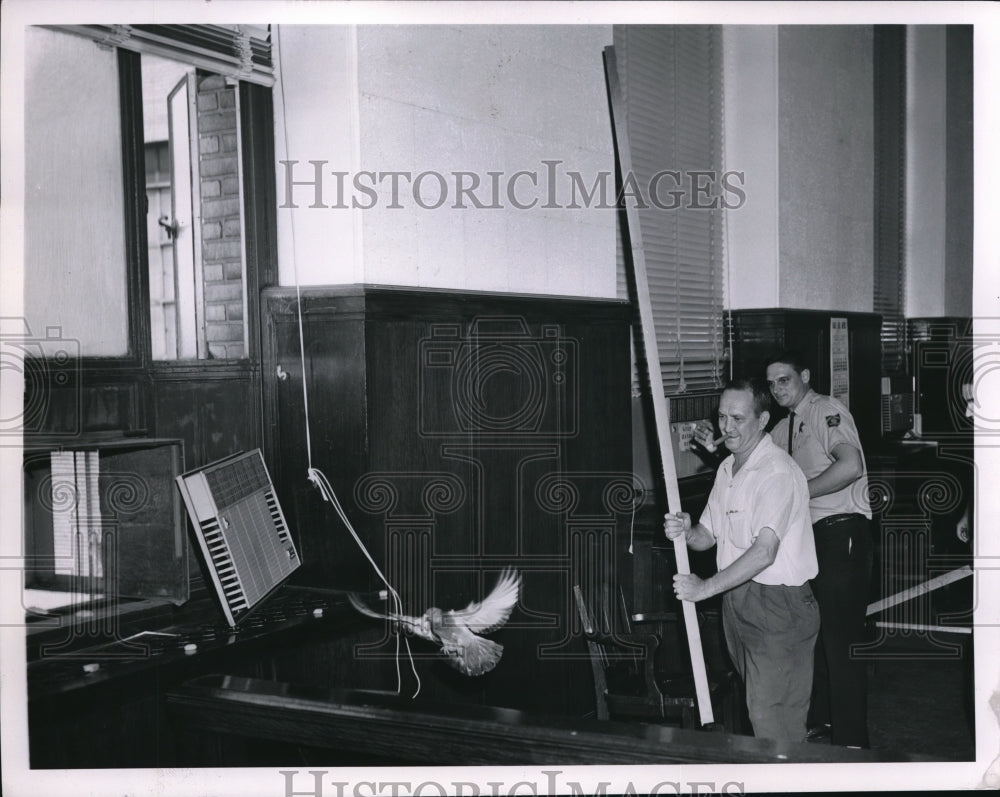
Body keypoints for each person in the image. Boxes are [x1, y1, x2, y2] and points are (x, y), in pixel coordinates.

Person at [665, 378, 820, 743]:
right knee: (758, 714)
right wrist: (687, 531)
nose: (727, 427)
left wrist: (703, 588)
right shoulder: (727, 470)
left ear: (763, 419)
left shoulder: (777, 473)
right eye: (722, 417)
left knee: (773, 722)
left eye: (737, 418)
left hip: (779, 606)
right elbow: (707, 536)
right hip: (738, 601)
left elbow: (764, 552)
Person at [764, 350, 873, 749]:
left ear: (805, 376)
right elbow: (755, 461)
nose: (777, 389)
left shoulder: (826, 411)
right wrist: (713, 447)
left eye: (785, 380)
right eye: (772, 383)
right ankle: (825, 727)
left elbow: (851, 466)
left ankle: (852, 744)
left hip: (840, 533)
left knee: (841, 644)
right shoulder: (782, 427)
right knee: (817, 637)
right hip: (809, 542)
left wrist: (799, 492)